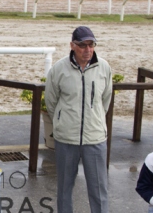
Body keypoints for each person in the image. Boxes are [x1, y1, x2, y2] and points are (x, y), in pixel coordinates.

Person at [44, 26, 113, 213]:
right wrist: (61, 122)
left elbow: (105, 100)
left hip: (95, 139)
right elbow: (51, 101)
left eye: (91, 45)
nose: (88, 50)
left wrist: (95, 120)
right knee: (65, 189)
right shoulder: (58, 69)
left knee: (99, 191)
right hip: (66, 139)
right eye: (83, 45)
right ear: (72, 46)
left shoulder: (104, 68)